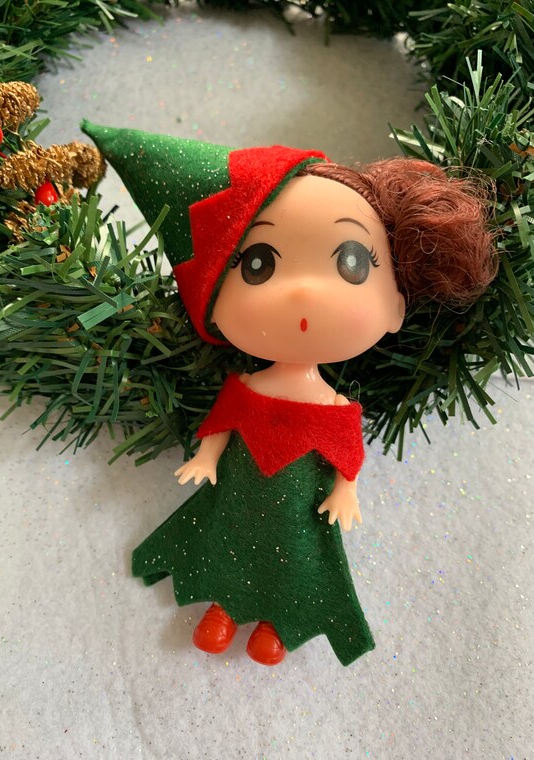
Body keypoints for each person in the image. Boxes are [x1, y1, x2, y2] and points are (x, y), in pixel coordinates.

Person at [82, 123, 497, 666]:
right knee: (226, 545)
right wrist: (206, 458)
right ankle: (221, 609)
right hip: (238, 500)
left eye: (351, 262)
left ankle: (277, 624)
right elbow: (222, 423)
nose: (302, 290)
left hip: (299, 514)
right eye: (259, 264)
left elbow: (346, 454)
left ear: (397, 307)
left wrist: (346, 492)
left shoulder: (333, 407)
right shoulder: (248, 387)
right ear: (212, 305)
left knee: (297, 563)